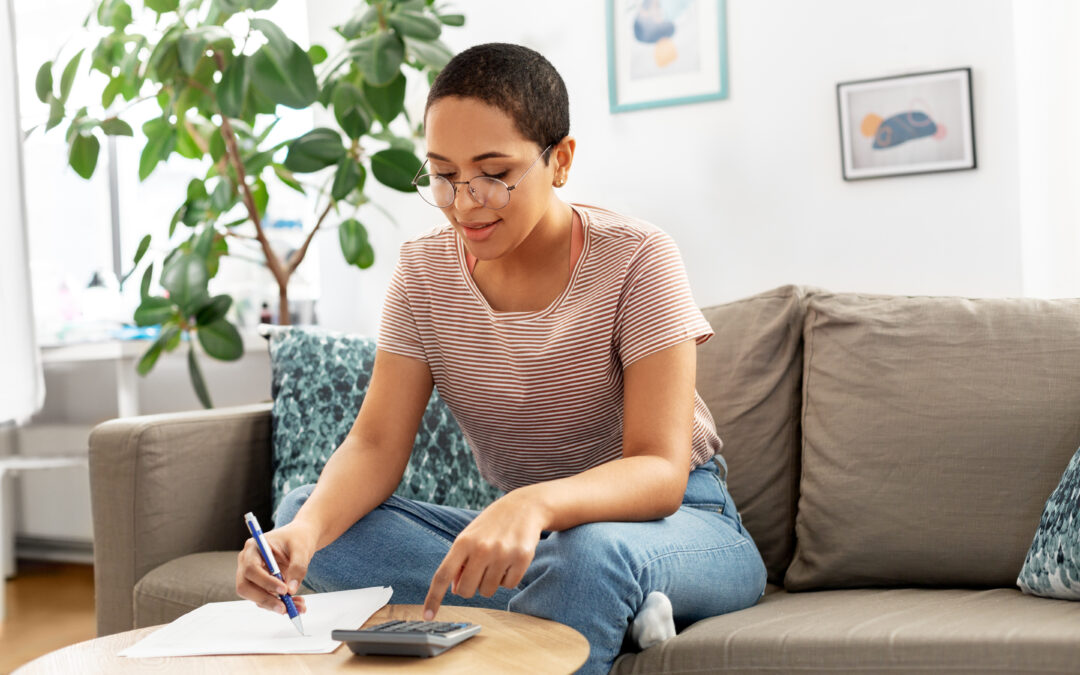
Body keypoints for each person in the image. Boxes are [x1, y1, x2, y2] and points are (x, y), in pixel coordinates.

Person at [235, 42, 767, 674]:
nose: (465, 202)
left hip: (681, 526)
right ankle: (604, 610)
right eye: (442, 175)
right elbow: (376, 444)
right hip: (536, 543)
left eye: (494, 173)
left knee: (590, 556)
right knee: (307, 515)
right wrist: (302, 537)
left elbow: (659, 471)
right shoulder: (423, 270)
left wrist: (532, 502)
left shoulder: (638, 258)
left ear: (560, 159)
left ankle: (599, 592)